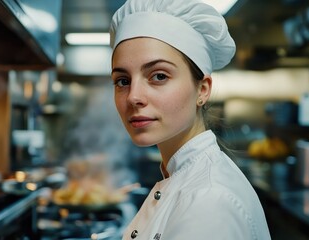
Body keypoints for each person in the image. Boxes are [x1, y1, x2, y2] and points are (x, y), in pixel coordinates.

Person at [109, 0, 271, 239]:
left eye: (159, 76)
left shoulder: (209, 203)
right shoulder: (181, 175)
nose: (133, 97)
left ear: (202, 90)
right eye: (122, 81)